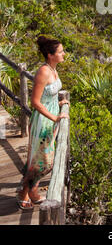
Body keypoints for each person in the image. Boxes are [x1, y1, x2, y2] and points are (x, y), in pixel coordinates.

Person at [16, 36, 69, 210]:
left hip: (50, 117)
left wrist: (58, 103)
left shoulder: (54, 69)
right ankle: (30, 192)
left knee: (38, 159)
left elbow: (49, 95)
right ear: (50, 54)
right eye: (60, 52)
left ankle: (25, 192)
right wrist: (54, 117)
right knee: (44, 161)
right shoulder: (44, 71)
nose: (63, 54)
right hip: (43, 122)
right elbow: (35, 102)